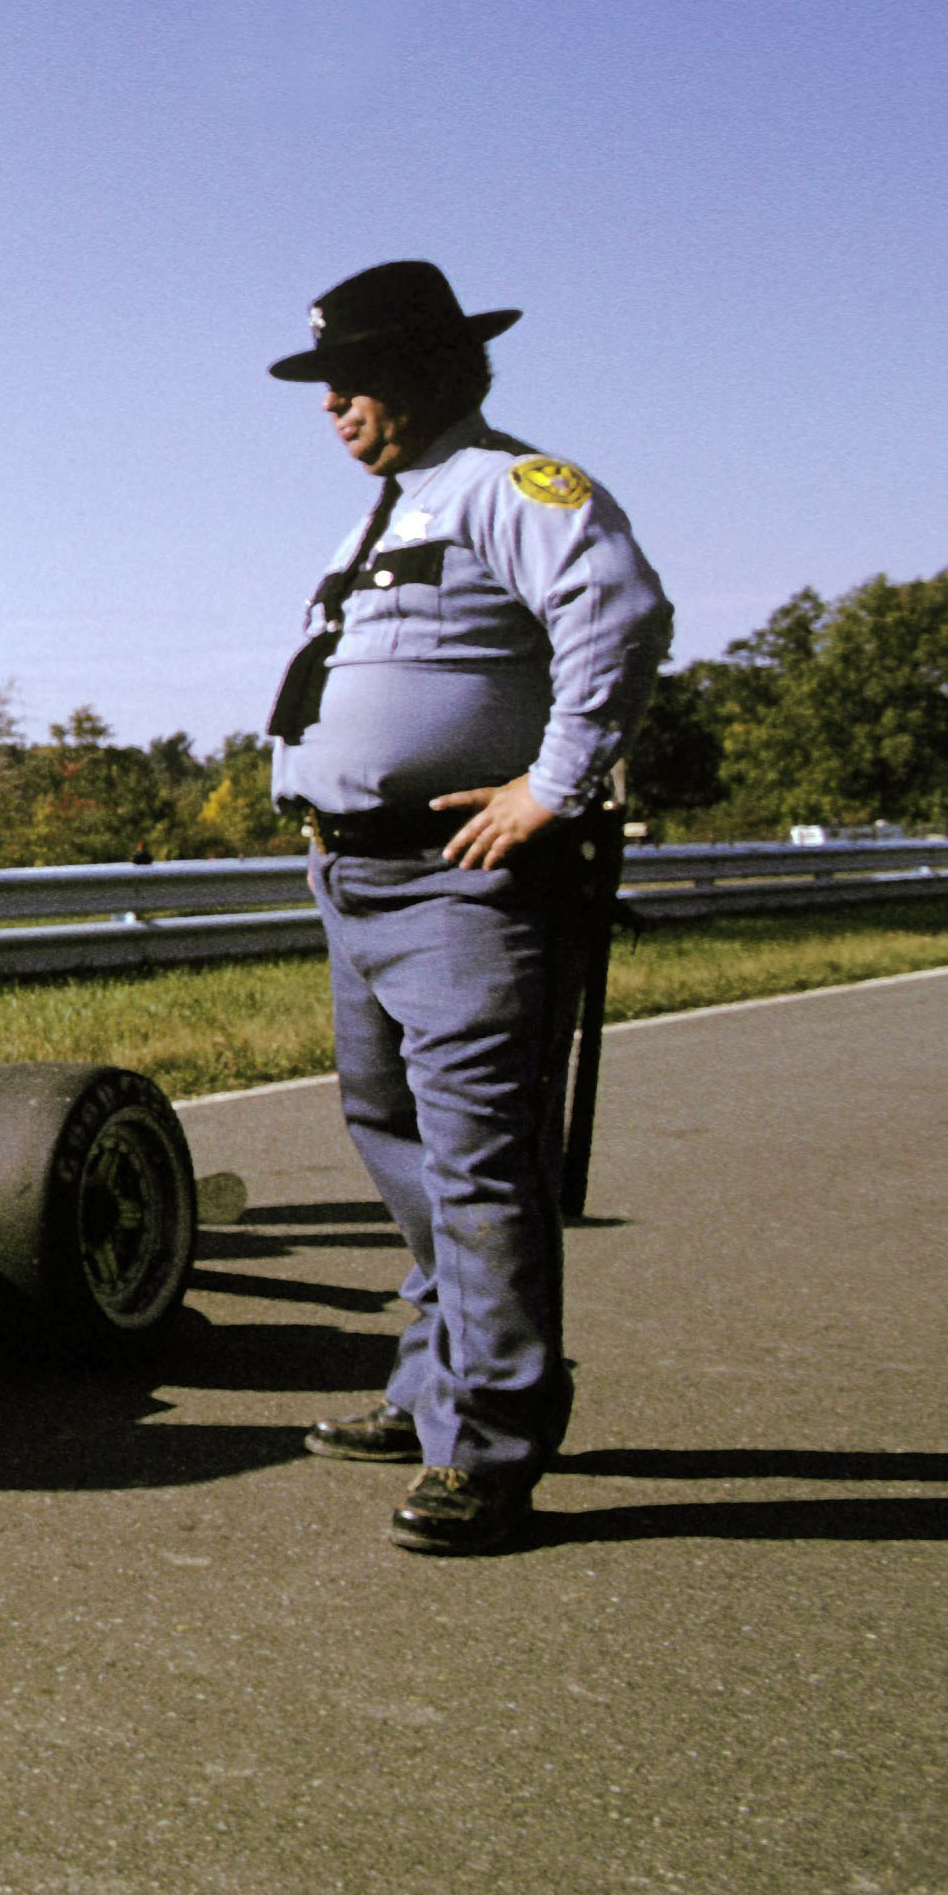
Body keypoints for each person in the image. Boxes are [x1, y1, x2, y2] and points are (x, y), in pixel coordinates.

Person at [263, 260, 671, 1554]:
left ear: (436, 373)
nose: (332, 402)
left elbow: (618, 607)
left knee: (482, 1163)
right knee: (396, 1141)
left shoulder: (510, 486)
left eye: (357, 376)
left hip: (464, 882)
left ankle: (489, 1440)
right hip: (359, 880)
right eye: (325, 382)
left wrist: (554, 786)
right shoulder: (381, 515)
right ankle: (435, 1386)